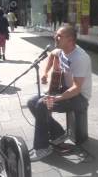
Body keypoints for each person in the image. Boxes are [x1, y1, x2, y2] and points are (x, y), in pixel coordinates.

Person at [27, 25, 92, 162]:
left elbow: (76, 88)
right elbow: (52, 54)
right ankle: (58, 134)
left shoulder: (80, 58)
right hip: (65, 89)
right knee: (31, 102)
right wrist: (45, 72)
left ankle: (42, 147)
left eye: (59, 35)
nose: (55, 37)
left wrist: (56, 98)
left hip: (79, 97)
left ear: (70, 39)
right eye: (56, 34)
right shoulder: (62, 50)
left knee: (42, 104)